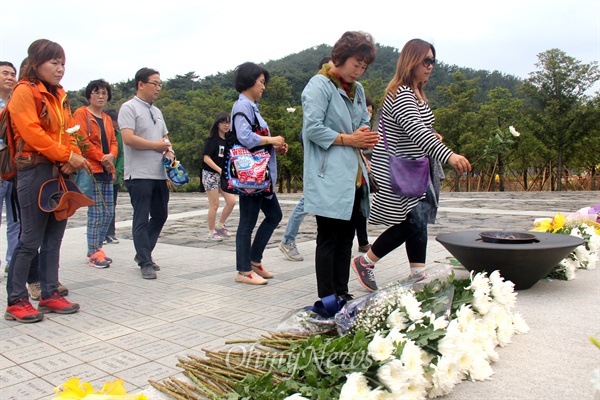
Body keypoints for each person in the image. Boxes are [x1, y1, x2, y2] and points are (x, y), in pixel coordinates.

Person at [351, 38, 471, 292]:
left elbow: (418, 130)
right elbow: (417, 132)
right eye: (426, 60)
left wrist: (433, 135)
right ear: (411, 60)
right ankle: (366, 261)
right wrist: (449, 155)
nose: (430, 66)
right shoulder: (403, 93)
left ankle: (417, 272)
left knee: (418, 218)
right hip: (403, 170)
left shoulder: (417, 93)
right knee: (412, 221)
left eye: (433, 61)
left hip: (415, 168)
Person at [5, 39, 93, 323]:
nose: (60, 69)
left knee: (54, 237)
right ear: (36, 63)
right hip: (34, 170)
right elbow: (31, 132)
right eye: (53, 63)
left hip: (59, 171)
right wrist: (67, 154)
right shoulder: (24, 91)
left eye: (63, 63)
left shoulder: (59, 95)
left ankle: (49, 293)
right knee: (30, 238)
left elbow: (70, 131)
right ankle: (16, 299)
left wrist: (74, 156)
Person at [302, 31, 379, 300]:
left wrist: (365, 134)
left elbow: (363, 122)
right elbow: (312, 129)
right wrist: (350, 139)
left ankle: (343, 294)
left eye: (363, 67)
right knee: (329, 238)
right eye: (356, 64)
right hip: (328, 174)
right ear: (341, 57)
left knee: (346, 238)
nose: (359, 71)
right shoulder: (318, 85)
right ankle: (327, 298)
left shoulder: (357, 90)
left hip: (353, 175)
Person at [232, 62, 287, 285]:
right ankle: (244, 271)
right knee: (247, 222)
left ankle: (254, 261)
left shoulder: (252, 107)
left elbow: (255, 141)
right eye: (261, 82)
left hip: (261, 177)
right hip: (251, 177)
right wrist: (271, 140)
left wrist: (274, 147)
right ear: (249, 81)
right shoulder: (242, 106)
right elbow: (245, 137)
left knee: (274, 215)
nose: (263, 87)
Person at [118, 68, 173, 280]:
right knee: (141, 217)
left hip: (158, 173)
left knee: (160, 215)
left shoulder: (157, 112)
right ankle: (145, 261)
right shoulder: (128, 108)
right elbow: (128, 139)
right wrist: (156, 146)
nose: (158, 88)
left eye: (160, 84)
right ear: (141, 84)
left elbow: (165, 138)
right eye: (155, 83)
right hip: (139, 174)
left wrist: (168, 150)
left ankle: (143, 253)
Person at [278, 56, 332, 262]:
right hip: (319, 162)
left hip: (327, 162)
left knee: (312, 202)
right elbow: (309, 132)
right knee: (307, 201)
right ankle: (288, 240)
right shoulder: (316, 90)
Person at [74, 80, 118, 268]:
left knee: (108, 213)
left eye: (104, 93)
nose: (101, 96)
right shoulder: (81, 114)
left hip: (107, 169)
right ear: (89, 95)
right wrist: (103, 158)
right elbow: (82, 140)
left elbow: (114, 142)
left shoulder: (107, 118)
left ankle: (98, 248)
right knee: (96, 214)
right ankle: (93, 252)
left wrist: (112, 158)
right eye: (96, 92)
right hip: (92, 169)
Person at [202, 111, 236, 242]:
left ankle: (220, 225)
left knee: (231, 201)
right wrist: (219, 170)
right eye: (223, 122)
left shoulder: (228, 139)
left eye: (228, 122)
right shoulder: (212, 139)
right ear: (218, 124)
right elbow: (206, 158)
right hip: (210, 174)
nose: (226, 125)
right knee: (214, 204)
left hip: (222, 174)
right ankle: (211, 232)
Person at [0, 61, 20, 278]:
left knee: (17, 220)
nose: (10, 77)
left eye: (13, 74)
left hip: (15, 171)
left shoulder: (17, 104)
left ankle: (13, 260)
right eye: (5, 73)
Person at [354, 97, 375, 253]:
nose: (368, 114)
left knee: (361, 209)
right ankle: (288, 239)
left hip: (359, 175)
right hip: (350, 174)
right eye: (366, 111)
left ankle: (363, 241)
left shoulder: (365, 127)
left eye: (370, 111)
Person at [103, 109, 123, 245]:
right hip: (102, 174)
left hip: (115, 177)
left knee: (111, 206)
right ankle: (100, 234)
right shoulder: (100, 133)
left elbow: (121, 155)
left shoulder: (119, 136)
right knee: (99, 206)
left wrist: (117, 172)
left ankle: (110, 233)